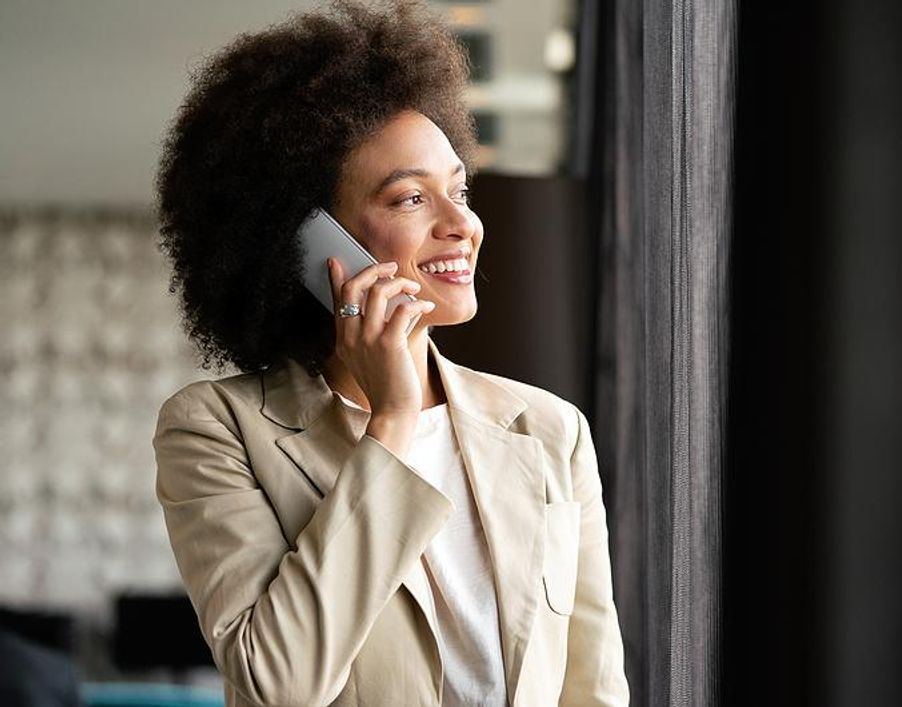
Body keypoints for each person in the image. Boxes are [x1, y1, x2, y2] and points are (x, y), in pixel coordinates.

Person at [150, 1, 630, 705]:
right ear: (308, 243)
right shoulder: (216, 430)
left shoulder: (550, 431)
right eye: (410, 198)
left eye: (458, 190)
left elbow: (594, 688)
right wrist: (394, 421)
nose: (462, 223)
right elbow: (278, 687)